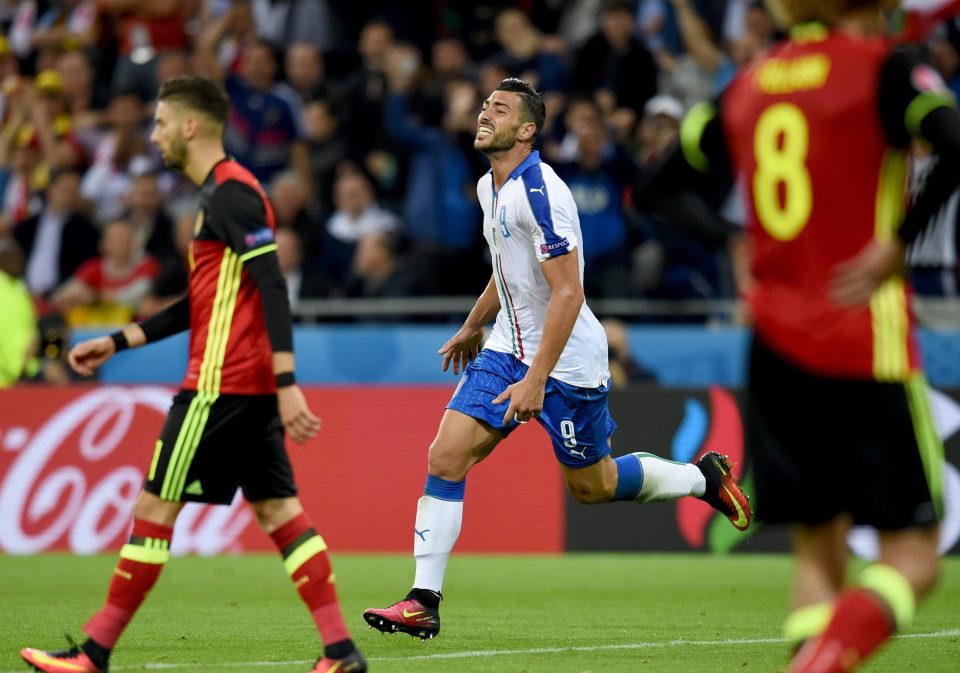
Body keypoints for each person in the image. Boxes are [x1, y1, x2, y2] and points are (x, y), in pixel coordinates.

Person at [362, 77, 751, 640]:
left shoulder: (540, 194)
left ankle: (702, 479)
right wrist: (475, 322)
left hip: (567, 363)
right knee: (445, 456)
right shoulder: (488, 187)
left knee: (591, 486)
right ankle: (424, 600)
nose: (484, 113)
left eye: (500, 108)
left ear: (527, 130)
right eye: (484, 104)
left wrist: (537, 378)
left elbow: (568, 292)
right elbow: (507, 267)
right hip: (506, 349)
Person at [647, 2, 957, 671]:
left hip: (773, 350)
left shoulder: (749, 81)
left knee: (819, 554)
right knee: (914, 558)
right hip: (860, 342)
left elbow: (657, 188)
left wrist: (729, 240)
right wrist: (898, 244)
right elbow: (955, 138)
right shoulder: (884, 71)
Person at [19, 75, 365, 673]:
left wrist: (288, 384)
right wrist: (120, 340)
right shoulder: (222, 195)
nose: (152, 137)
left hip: (218, 388)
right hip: (244, 390)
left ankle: (94, 653)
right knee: (279, 513)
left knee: (154, 512)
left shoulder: (231, 194)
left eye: (158, 124)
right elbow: (200, 302)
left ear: (189, 126)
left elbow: (273, 284)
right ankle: (340, 651)